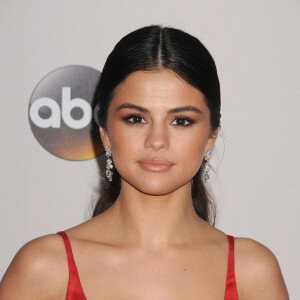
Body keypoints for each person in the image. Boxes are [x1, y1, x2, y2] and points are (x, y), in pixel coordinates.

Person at [0, 24, 289, 300]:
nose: (157, 140)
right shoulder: (44, 269)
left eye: (181, 120)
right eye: (136, 118)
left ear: (211, 137)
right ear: (105, 133)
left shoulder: (252, 273)